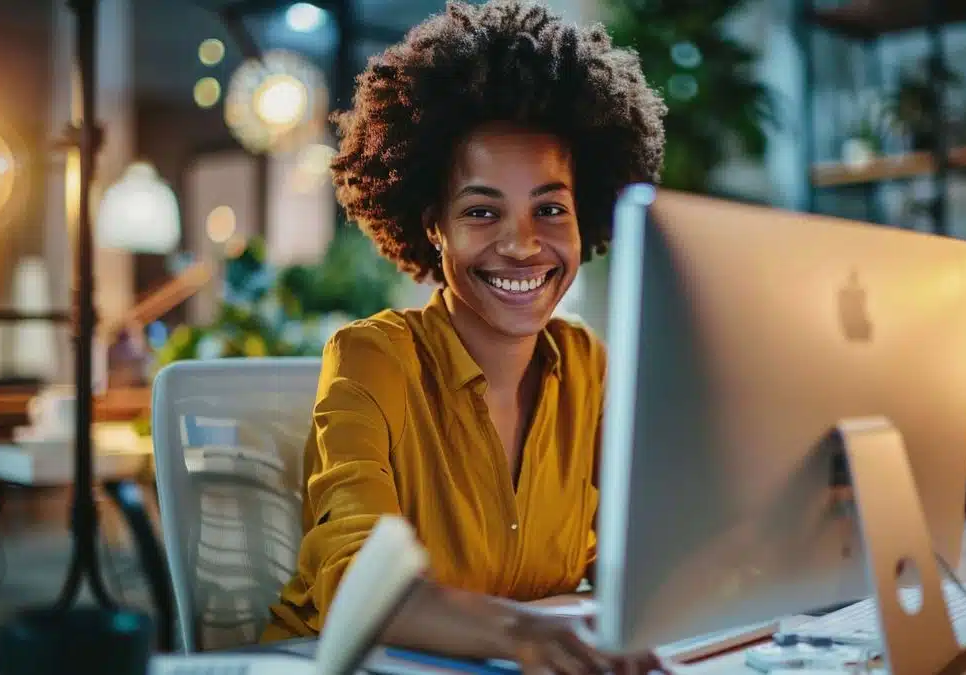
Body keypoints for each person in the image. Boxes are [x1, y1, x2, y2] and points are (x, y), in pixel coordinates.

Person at [261, 0, 668, 670]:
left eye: (550, 208)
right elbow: (355, 583)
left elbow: (643, 552)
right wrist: (521, 634)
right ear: (433, 225)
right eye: (482, 210)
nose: (522, 244)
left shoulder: (589, 366)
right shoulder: (370, 359)